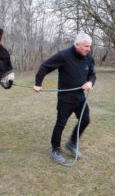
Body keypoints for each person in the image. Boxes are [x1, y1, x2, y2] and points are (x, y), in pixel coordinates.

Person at [33, 32, 96, 164]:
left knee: (85, 120)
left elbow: (92, 74)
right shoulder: (64, 55)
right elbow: (45, 66)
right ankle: (55, 149)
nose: (88, 49)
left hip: (80, 98)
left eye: (90, 46)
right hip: (65, 99)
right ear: (77, 44)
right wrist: (38, 83)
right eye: (86, 46)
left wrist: (90, 82)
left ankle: (72, 143)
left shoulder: (89, 58)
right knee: (60, 124)